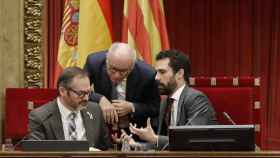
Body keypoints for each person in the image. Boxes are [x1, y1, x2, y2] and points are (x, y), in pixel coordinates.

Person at [126, 50, 218, 150]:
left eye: (162, 72)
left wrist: (155, 138)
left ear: (179, 74)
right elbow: (166, 143)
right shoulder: (165, 102)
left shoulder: (196, 99)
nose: (156, 77)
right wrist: (137, 145)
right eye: (156, 72)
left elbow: (191, 140)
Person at [28, 67, 112, 150]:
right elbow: (36, 152)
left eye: (88, 93)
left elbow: (105, 148)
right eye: (81, 93)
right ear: (62, 91)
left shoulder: (95, 111)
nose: (86, 98)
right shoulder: (40, 117)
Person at [84, 42, 160, 130]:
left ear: (132, 67)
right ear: (107, 61)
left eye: (123, 72)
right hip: (100, 126)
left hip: (133, 129)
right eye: (112, 69)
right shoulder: (94, 63)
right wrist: (100, 99)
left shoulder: (147, 74)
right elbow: (78, 90)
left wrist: (132, 107)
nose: (116, 75)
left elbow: (155, 108)